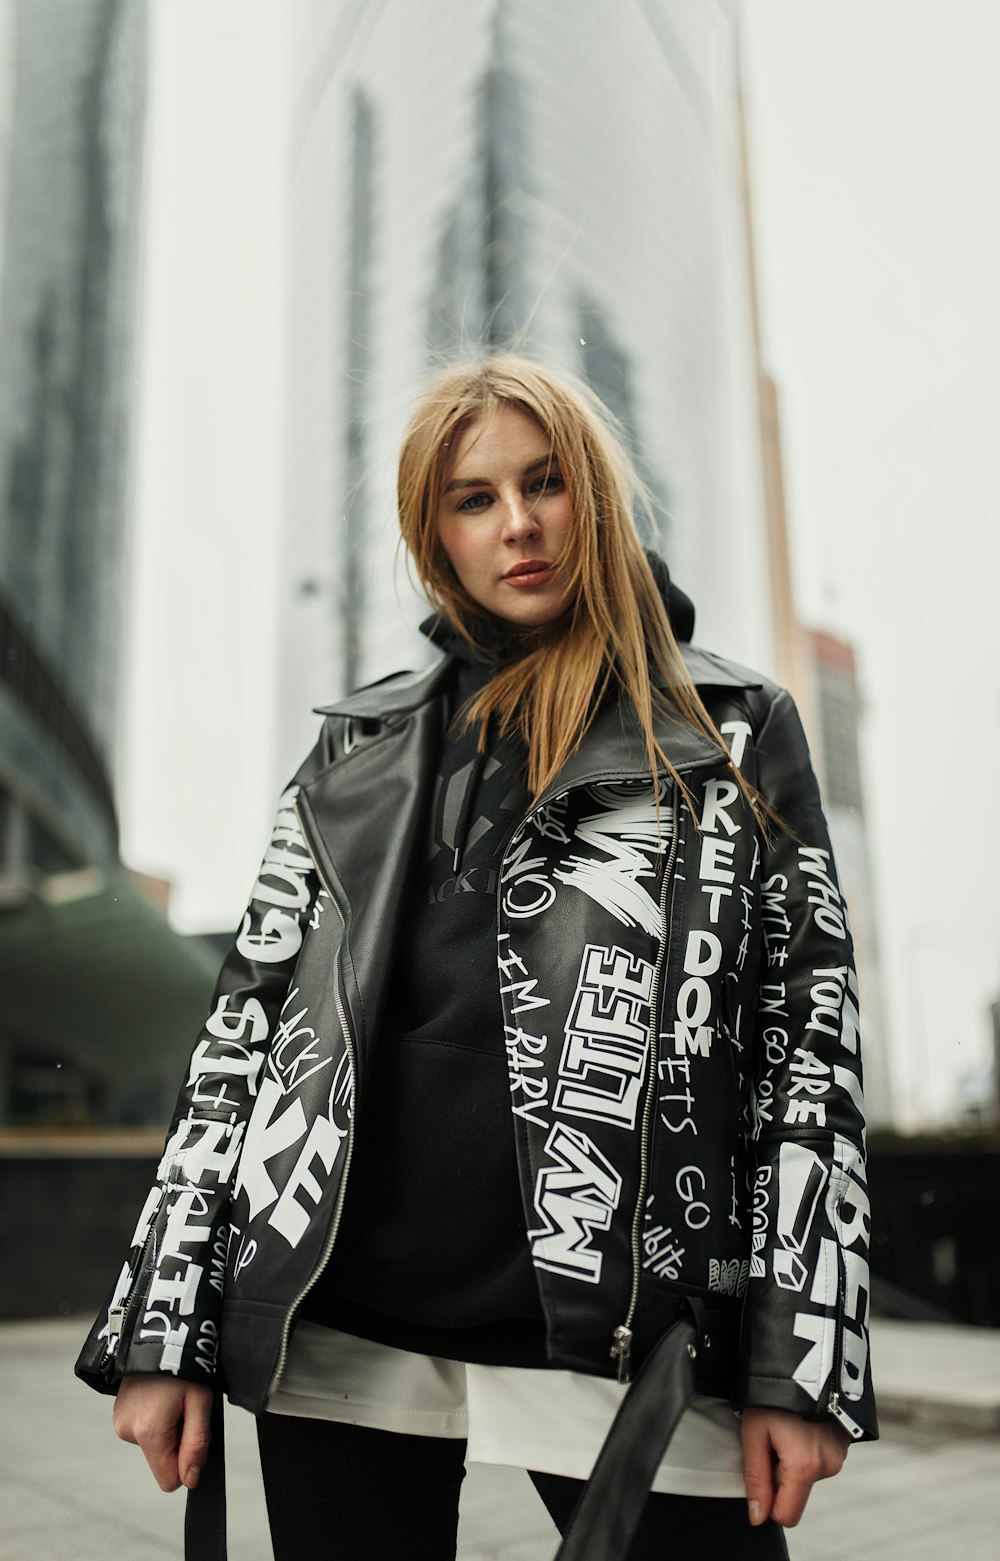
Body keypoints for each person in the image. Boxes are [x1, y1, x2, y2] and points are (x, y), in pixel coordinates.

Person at [76, 355, 877, 1561]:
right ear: (433, 531)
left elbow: (802, 1044)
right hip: (340, 1316)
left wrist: (797, 1361)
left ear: (593, 499)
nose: (517, 524)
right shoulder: (359, 744)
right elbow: (243, 1036)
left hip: (620, 1324)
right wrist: (165, 1327)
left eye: (545, 483)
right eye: (473, 498)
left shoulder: (726, 728)